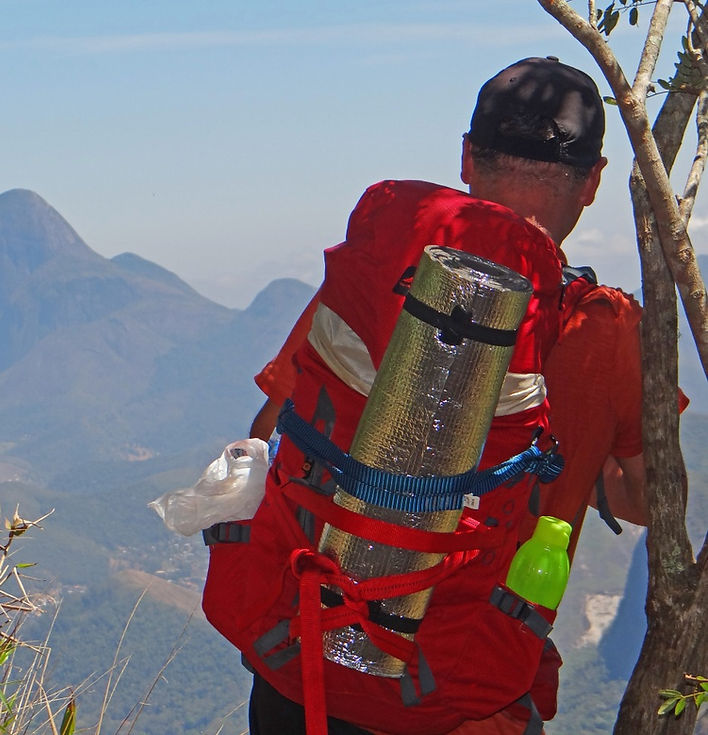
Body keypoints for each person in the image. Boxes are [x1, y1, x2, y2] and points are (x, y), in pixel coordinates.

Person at [224, 56, 616, 735]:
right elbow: (644, 494)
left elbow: (270, 428)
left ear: (467, 157)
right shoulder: (603, 326)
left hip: (303, 672)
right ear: (594, 183)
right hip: (456, 700)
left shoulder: (382, 274)